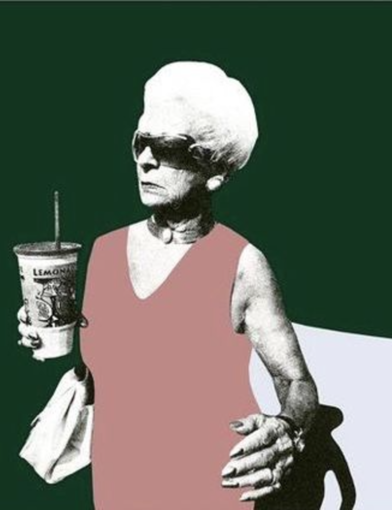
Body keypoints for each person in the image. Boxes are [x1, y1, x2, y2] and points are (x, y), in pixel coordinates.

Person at [19, 61, 319, 509]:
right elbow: (123, 373)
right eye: (140, 142)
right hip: (119, 492)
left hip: (211, 490)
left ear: (214, 170)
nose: (145, 159)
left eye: (167, 147)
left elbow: (295, 381)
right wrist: (43, 325)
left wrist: (288, 429)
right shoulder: (103, 251)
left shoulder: (242, 264)